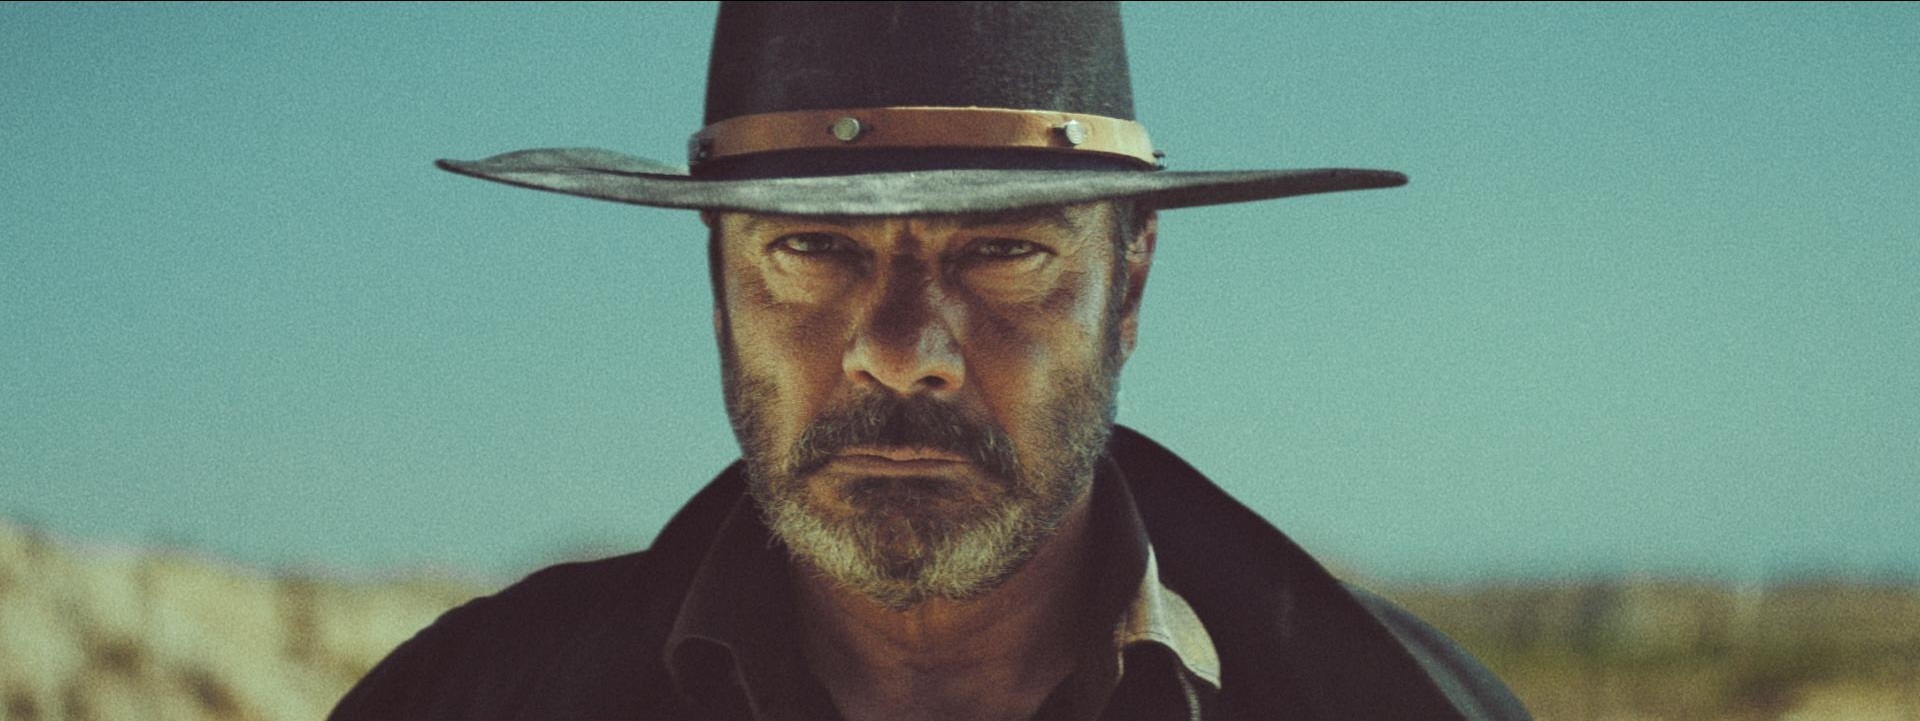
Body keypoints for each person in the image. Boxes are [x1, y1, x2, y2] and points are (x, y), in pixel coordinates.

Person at [331, 3, 1531, 720]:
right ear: (719, 282)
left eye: (1003, 250)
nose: (902, 352)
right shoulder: (474, 702)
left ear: (1128, 285)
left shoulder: (1395, 706)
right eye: (811, 248)